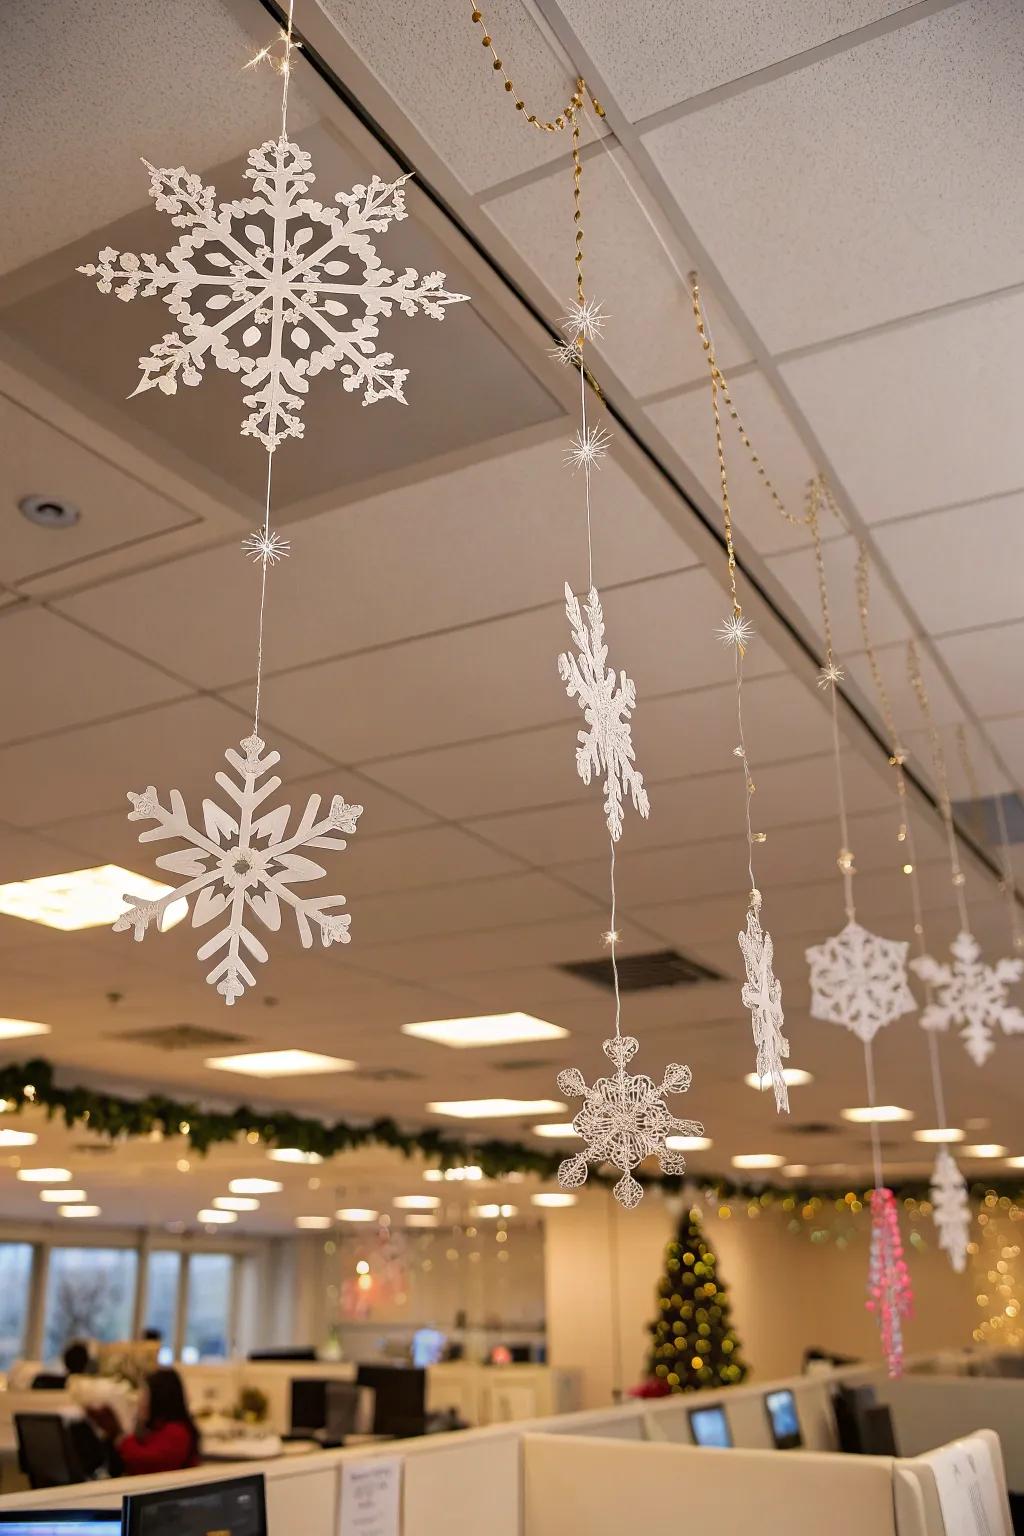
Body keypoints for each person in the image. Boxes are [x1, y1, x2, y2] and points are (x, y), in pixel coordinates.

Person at [90, 1368, 199, 1475]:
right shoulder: (155, 1429)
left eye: (145, 1396)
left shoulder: (177, 1432)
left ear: (159, 1398)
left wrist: (119, 1435)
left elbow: (147, 1461)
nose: (140, 1403)